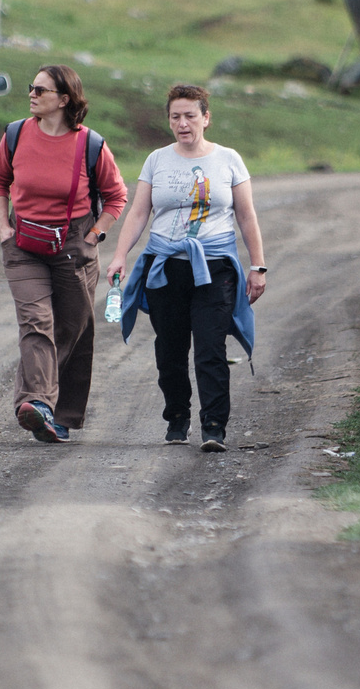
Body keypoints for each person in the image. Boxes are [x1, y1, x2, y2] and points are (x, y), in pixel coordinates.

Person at [108, 83, 267, 450]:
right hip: (165, 269)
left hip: (215, 269)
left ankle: (213, 426)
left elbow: (246, 216)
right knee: (170, 351)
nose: (183, 123)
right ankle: (177, 416)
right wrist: (119, 255)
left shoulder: (228, 159)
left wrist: (258, 266)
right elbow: (138, 213)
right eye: (175, 117)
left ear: (206, 118)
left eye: (190, 116)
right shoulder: (157, 160)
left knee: (210, 349)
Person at [0, 64, 127, 444]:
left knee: (73, 328)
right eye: (30, 87)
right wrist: (4, 227)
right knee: (36, 321)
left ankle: (61, 415)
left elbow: (116, 196)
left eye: (41, 89)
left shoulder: (91, 145)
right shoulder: (16, 134)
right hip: (24, 245)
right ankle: (36, 404)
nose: (31, 94)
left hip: (74, 246)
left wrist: (95, 236)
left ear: (64, 99)